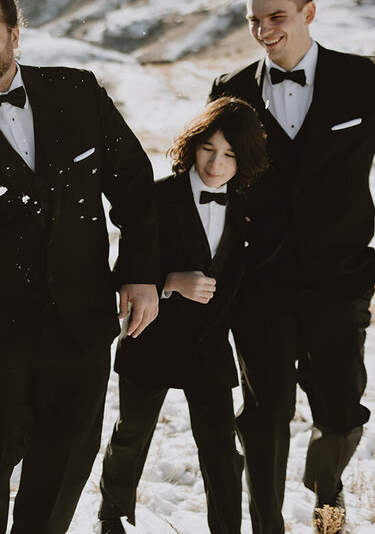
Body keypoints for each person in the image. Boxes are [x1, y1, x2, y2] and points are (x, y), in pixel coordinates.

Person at [210, 0, 375, 534]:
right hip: (259, 283)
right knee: (264, 417)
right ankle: (266, 525)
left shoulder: (366, 81)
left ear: (308, 13)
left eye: (277, 17)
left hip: (341, 279)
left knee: (339, 414)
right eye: (254, 21)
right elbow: (209, 177)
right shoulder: (231, 90)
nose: (264, 30)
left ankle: (328, 509)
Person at [0, 0, 159, 534]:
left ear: (15, 34)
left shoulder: (77, 90)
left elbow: (135, 183)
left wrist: (139, 273)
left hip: (81, 327)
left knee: (62, 469)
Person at [98, 97, 269, 534]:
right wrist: (171, 282)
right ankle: (112, 518)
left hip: (208, 347)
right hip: (150, 336)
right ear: (194, 145)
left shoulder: (246, 209)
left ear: (243, 160)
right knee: (131, 435)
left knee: (220, 450)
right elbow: (124, 272)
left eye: (230, 155)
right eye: (209, 149)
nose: (216, 164)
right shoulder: (155, 197)